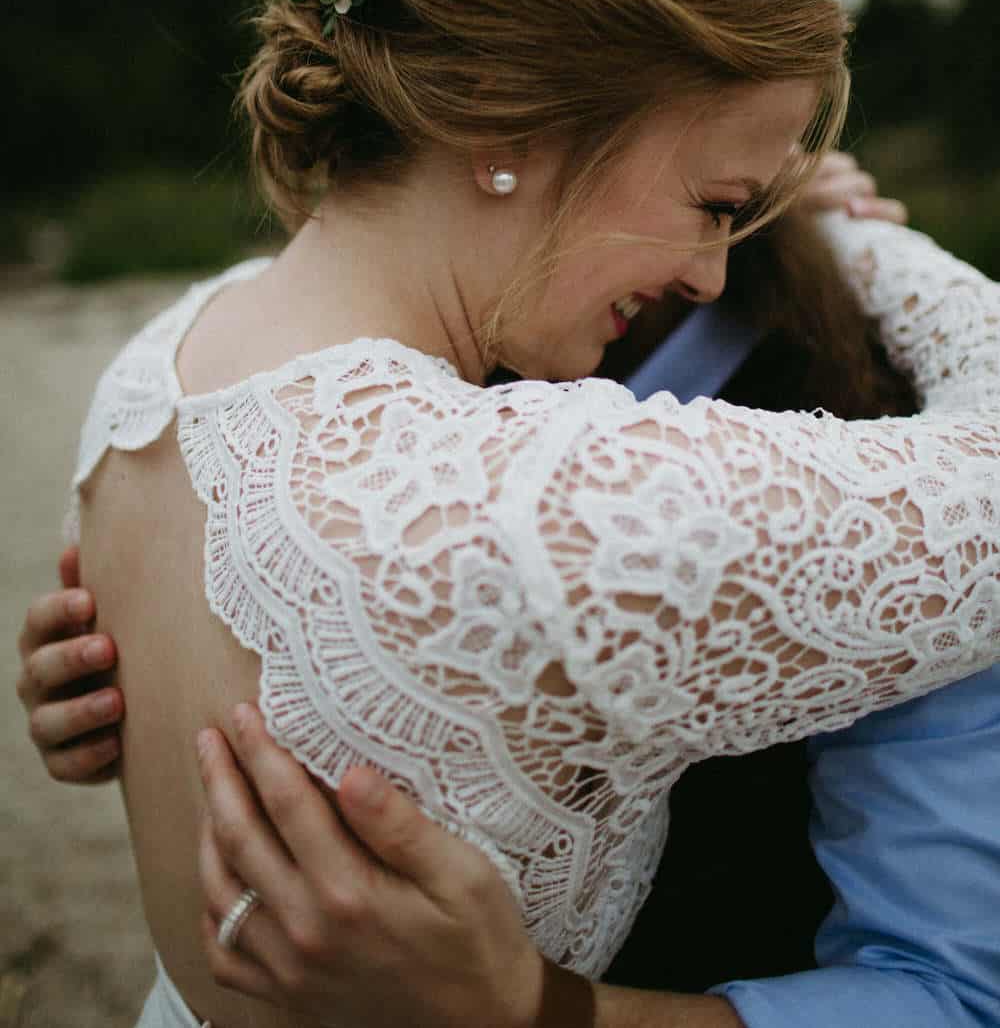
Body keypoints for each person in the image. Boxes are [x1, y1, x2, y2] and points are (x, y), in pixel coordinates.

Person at [18, 0, 1000, 1028]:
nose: (713, 273)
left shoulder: (161, 370)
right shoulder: (540, 504)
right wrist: (868, 240)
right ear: (517, 117)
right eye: (715, 206)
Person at [20, 186, 1000, 1026]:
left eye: (727, 200)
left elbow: (947, 998)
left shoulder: (887, 466)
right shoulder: (370, 375)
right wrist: (133, 680)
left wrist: (536, 1010)